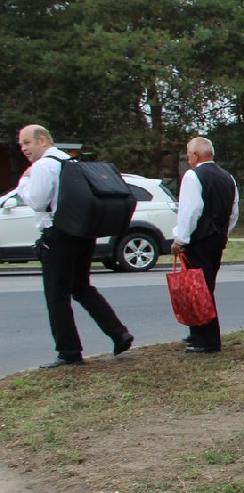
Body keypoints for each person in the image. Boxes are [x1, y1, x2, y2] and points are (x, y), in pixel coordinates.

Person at [16, 125, 132, 368]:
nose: (23, 148)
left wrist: (23, 182)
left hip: (58, 235)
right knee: (81, 287)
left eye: (27, 142)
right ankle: (118, 332)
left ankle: (69, 352)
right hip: (82, 232)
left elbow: (38, 202)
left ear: (43, 139)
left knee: (57, 295)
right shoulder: (68, 161)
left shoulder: (44, 165)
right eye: (21, 144)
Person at [172, 137, 240, 354]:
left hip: (198, 239)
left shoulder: (193, 176)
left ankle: (208, 339)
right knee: (206, 285)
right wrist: (223, 233)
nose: (188, 158)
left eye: (188, 154)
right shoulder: (227, 177)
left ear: (195, 155)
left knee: (197, 288)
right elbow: (233, 211)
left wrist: (180, 239)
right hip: (217, 239)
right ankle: (198, 331)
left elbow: (190, 211)